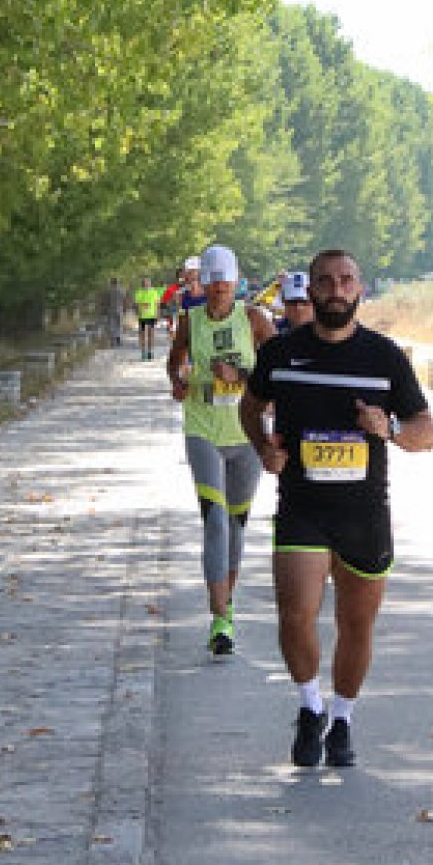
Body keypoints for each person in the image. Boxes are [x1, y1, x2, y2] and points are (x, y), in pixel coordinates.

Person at [240, 248, 433, 768]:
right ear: (310, 291)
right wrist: (263, 449)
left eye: (345, 280)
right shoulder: (281, 353)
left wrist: (389, 428)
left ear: (359, 289)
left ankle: (343, 718)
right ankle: (310, 706)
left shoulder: (384, 357)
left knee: (356, 624)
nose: (335, 290)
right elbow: (250, 405)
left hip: (363, 513)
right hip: (302, 506)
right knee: (295, 614)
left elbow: (426, 432)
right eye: (325, 281)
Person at [167, 243, 275, 656]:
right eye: (213, 285)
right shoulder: (190, 321)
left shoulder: (254, 320)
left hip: (246, 433)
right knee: (214, 520)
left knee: (235, 524)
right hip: (203, 428)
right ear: (204, 285)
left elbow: (276, 371)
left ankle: (227, 607)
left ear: (236, 284)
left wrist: (241, 375)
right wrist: (178, 380)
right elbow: (175, 360)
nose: (219, 292)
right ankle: (219, 616)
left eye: (226, 285)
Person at [133, 275, 163, 360]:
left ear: (150, 284)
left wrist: (158, 315)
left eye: (148, 283)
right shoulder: (139, 292)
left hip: (151, 316)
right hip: (142, 316)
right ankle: (143, 352)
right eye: (145, 283)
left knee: (151, 334)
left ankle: (150, 352)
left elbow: (158, 304)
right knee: (142, 334)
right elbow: (136, 304)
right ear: (142, 284)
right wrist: (142, 305)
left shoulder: (154, 292)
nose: (146, 284)